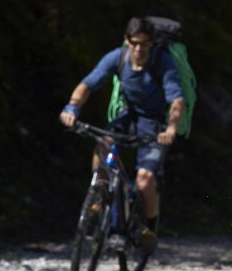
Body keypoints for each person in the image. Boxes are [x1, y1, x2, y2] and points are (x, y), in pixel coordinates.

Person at [58, 17, 187, 249]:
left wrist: (171, 128)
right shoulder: (118, 57)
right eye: (134, 43)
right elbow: (89, 83)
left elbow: (176, 100)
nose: (138, 49)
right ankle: (99, 198)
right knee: (103, 144)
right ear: (127, 40)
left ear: (152, 43)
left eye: (144, 44)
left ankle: (148, 229)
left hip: (154, 122)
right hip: (128, 115)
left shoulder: (162, 62)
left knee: (145, 179)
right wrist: (72, 107)